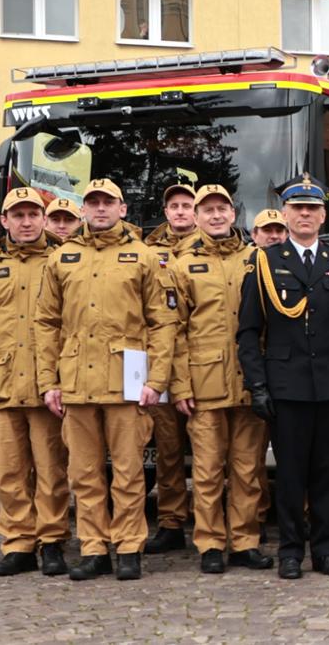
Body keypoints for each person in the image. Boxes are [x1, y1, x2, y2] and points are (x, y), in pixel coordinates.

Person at [34, 178, 179, 581]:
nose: (100, 209)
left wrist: (157, 379)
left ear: (123, 208)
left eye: (108, 202)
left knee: (129, 472)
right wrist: (49, 381)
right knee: (84, 473)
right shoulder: (61, 258)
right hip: (77, 380)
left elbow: (162, 322)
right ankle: (94, 548)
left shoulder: (145, 256)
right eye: (93, 202)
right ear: (83, 209)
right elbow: (45, 322)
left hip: (127, 382)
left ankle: (129, 546)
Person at [238, 175, 329, 579]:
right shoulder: (264, 262)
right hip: (286, 386)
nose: (305, 214)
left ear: (324, 215)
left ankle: (325, 549)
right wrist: (257, 385)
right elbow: (247, 331)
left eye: (312, 208)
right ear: (287, 214)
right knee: (291, 474)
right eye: (298, 208)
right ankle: (291, 551)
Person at [0, 187, 71, 577]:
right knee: (8, 473)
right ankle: (18, 544)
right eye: (17, 216)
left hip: (48, 387)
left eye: (32, 215)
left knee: (51, 471)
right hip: (4, 384)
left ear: (44, 219)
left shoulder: (62, 262)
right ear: (4, 221)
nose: (26, 223)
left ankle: (53, 540)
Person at [164, 184, 272, 575]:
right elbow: (173, 331)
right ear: (194, 217)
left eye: (221, 209)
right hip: (204, 384)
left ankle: (244, 541)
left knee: (247, 470)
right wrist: (179, 386)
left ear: (233, 213)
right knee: (207, 471)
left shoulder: (257, 259)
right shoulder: (180, 266)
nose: (215, 215)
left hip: (249, 382)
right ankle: (210, 542)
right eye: (206, 210)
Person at [142, 183, 200, 556]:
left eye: (186, 206)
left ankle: (213, 520)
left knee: (212, 451)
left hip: (202, 364)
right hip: (161, 362)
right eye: (174, 206)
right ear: (165, 212)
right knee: (167, 450)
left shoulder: (209, 244)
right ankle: (171, 521)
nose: (180, 212)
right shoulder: (148, 253)